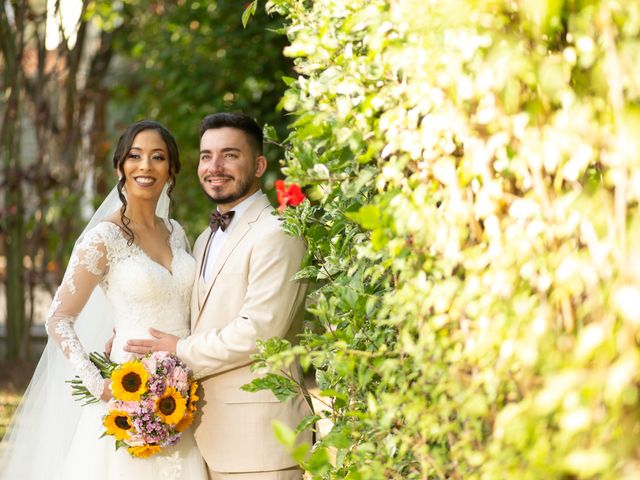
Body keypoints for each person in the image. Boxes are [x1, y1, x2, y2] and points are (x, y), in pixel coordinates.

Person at [0, 120, 207, 479]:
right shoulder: (104, 238)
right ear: (120, 167)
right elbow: (58, 318)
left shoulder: (177, 233)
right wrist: (101, 387)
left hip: (182, 394)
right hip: (131, 395)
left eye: (157, 157)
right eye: (135, 156)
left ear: (171, 170)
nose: (145, 166)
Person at [124, 112, 313, 480]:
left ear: (259, 165)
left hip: (260, 443)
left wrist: (178, 350)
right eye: (207, 155)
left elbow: (259, 333)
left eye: (230, 155)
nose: (216, 166)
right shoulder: (204, 238)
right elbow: (201, 317)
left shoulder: (277, 233)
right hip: (203, 437)